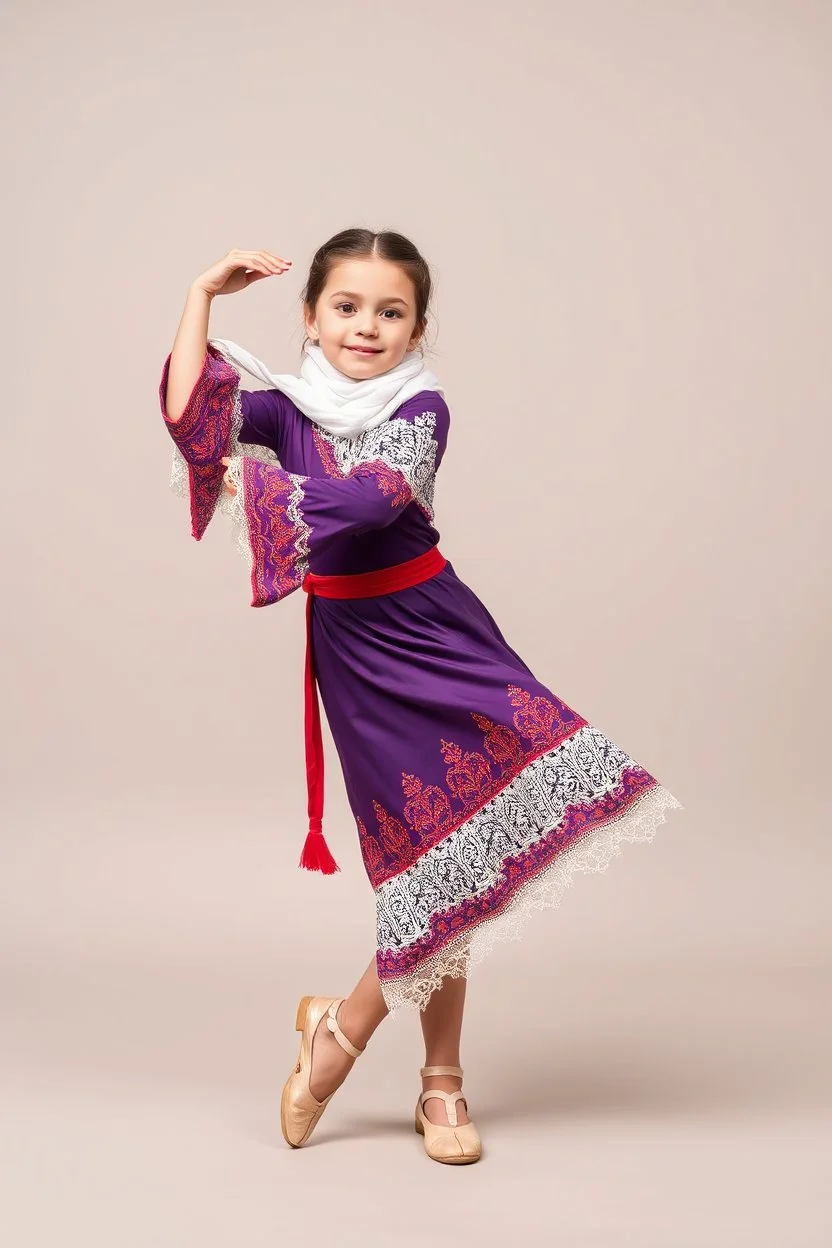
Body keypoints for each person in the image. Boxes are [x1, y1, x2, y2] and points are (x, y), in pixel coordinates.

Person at [159, 228, 683, 1165]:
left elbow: (371, 501)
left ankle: (344, 1031)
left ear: (417, 328)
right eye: (346, 307)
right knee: (425, 859)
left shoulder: (421, 407)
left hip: (438, 633)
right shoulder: (287, 410)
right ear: (310, 317)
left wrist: (258, 487)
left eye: (390, 312)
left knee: (466, 853)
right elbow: (190, 416)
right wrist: (201, 294)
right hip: (357, 658)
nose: (367, 326)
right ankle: (441, 1083)